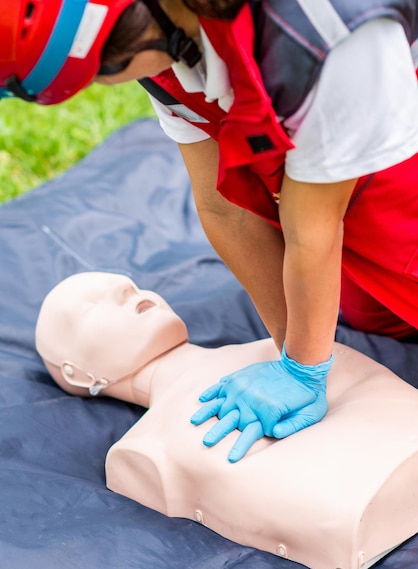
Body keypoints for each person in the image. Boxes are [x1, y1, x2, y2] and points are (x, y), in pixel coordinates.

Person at [3, 2, 418, 460]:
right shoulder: (162, 51)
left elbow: (312, 228)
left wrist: (304, 369)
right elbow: (223, 209)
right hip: (333, 197)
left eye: (101, 75)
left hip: (394, 160)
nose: (131, 293)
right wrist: (294, 353)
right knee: (364, 312)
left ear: (124, 41)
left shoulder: (324, 31)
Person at [35, 271, 418, 569]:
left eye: (131, 285)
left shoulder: (290, 347)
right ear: (76, 372)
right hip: (364, 520)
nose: (126, 289)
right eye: (91, 309)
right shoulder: (143, 452)